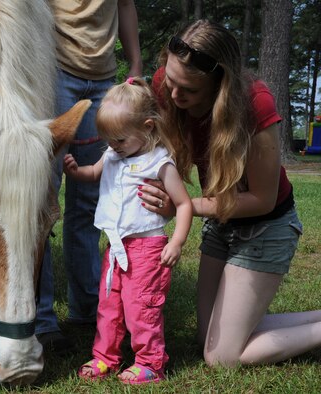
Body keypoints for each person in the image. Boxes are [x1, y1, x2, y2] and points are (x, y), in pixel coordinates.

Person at [142, 19, 321, 367]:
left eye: (188, 91)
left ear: (219, 85)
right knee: (207, 334)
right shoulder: (166, 85)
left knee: (221, 356)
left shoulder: (255, 104)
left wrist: (184, 206)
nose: (174, 96)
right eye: (170, 81)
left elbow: (262, 199)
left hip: (265, 228)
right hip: (221, 223)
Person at [68, 77, 193, 384]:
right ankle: (105, 357)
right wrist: (75, 171)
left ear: (148, 126)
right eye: (108, 140)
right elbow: (94, 173)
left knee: (141, 307)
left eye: (120, 140)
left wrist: (176, 241)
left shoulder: (159, 163)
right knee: (108, 305)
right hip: (115, 246)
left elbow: (185, 204)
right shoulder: (113, 154)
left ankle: (150, 362)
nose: (113, 146)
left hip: (148, 249)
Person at [35, 0, 143, 355]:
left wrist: (136, 64)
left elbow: (124, 5)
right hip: (54, 73)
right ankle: (42, 320)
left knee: (89, 205)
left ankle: (85, 309)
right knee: (42, 204)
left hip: (103, 81)